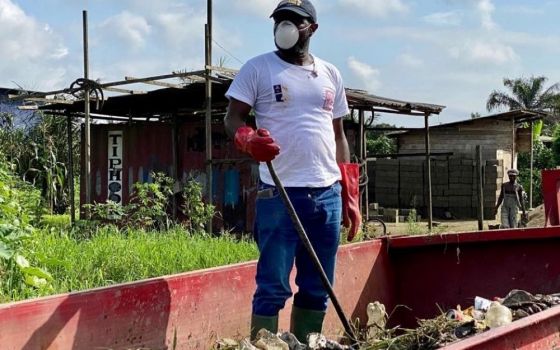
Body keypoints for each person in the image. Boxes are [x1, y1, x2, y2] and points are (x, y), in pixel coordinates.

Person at [223, 0, 361, 342]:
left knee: (317, 287)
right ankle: (264, 346)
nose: (284, 26)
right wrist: (248, 139)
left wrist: (350, 190)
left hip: (326, 194)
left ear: (311, 28)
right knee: (272, 286)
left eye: (294, 21)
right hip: (279, 194)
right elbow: (232, 117)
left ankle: (306, 344)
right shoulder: (258, 69)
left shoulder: (330, 74)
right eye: (280, 19)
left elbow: (339, 134)